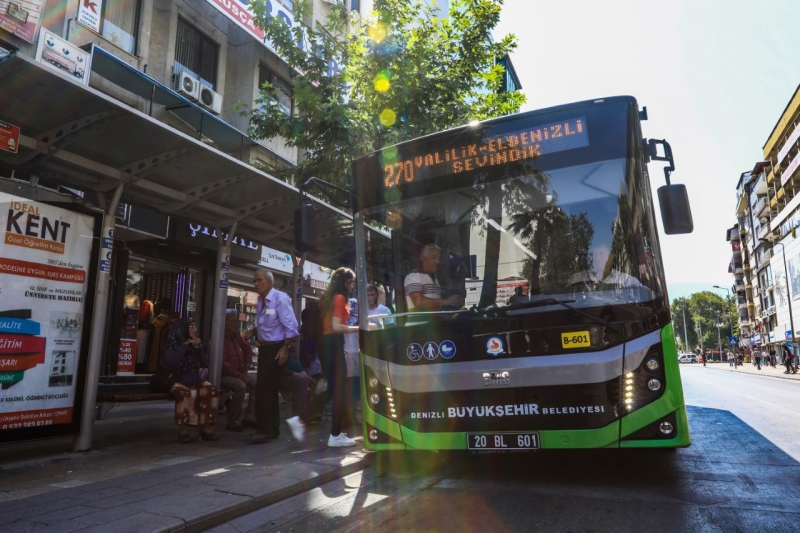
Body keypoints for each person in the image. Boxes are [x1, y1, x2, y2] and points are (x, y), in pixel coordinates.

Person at [246, 269, 301, 444]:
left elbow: (291, 327)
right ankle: (267, 428)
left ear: (269, 282)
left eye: (259, 280)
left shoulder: (280, 298)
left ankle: (268, 430)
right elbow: (268, 323)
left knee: (267, 389)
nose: (255, 284)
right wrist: (253, 332)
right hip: (265, 348)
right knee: (263, 389)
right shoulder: (262, 299)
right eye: (254, 280)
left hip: (277, 348)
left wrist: (285, 348)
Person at [320, 267, 361, 447]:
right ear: (345, 282)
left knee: (333, 389)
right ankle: (335, 435)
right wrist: (360, 328)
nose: (352, 286)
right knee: (339, 391)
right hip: (335, 343)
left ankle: (300, 419)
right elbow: (337, 326)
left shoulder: (329, 298)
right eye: (351, 282)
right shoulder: (340, 298)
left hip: (328, 344)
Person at [162, 318, 219, 443]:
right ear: (183, 329)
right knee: (186, 394)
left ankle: (206, 428)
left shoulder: (194, 343)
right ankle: (183, 431)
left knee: (211, 390)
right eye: (192, 326)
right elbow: (171, 362)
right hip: (178, 380)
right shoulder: (172, 342)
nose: (195, 329)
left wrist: (199, 348)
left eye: (195, 326)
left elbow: (204, 363)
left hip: (194, 379)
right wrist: (184, 345)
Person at [221, 309, 257, 431]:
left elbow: (247, 349)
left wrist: (245, 370)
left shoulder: (236, 338)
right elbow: (224, 365)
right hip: (224, 374)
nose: (237, 324)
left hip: (238, 372)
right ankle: (232, 421)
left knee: (256, 383)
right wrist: (240, 376)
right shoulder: (220, 339)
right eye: (233, 322)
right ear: (225, 325)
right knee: (240, 386)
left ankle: (250, 418)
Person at [404, 244, 462, 312]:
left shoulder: (435, 279)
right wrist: (445, 302)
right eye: (434, 257)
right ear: (422, 258)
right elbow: (418, 302)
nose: (438, 262)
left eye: (438, 258)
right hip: (419, 322)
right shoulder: (414, 277)